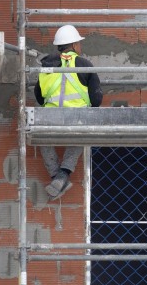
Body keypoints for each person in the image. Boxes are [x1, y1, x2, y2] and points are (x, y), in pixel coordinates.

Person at [34, 24, 103, 199]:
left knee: (41, 136)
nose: (80, 47)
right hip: (76, 117)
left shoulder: (46, 67)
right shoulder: (84, 64)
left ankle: (55, 176)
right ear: (73, 45)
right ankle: (63, 173)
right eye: (79, 43)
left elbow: (39, 97)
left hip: (50, 119)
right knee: (81, 133)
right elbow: (96, 99)